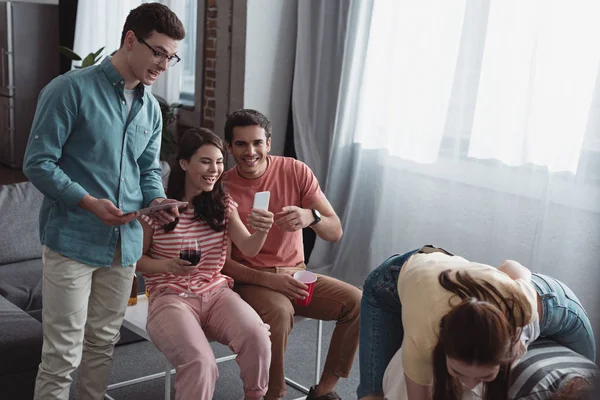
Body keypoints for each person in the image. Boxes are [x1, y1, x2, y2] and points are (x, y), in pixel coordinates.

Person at [22, 4, 185, 399]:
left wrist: (158, 199)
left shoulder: (151, 108)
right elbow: (37, 162)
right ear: (131, 40)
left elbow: (147, 169)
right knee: (62, 354)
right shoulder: (69, 90)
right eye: (159, 52)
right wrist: (87, 202)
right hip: (72, 240)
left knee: (102, 344)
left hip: (124, 245)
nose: (165, 64)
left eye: (172, 56)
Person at [221, 109, 362, 400]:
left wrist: (312, 216)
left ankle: (324, 391)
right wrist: (272, 282)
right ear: (228, 146)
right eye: (241, 144)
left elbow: (335, 231)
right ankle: (273, 394)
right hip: (251, 280)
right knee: (280, 312)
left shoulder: (295, 171)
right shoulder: (222, 188)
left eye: (257, 143)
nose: (250, 151)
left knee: (357, 302)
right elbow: (224, 263)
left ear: (269, 143)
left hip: (296, 273)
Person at [137, 128, 274, 400]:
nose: (215, 169)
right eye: (206, 161)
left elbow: (248, 246)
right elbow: (135, 261)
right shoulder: (158, 209)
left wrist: (262, 230)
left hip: (216, 293)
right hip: (170, 298)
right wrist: (168, 267)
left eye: (220, 161)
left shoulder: (222, 203)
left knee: (258, 336)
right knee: (201, 362)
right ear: (184, 163)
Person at [358, 245, 596, 400]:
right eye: (458, 371)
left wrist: (521, 335)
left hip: (558, 305)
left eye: (485, 377)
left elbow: (512, 266)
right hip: (390, 282)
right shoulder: (422, 337)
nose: (468, 383)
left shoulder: (521, 303)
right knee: (371, 394)